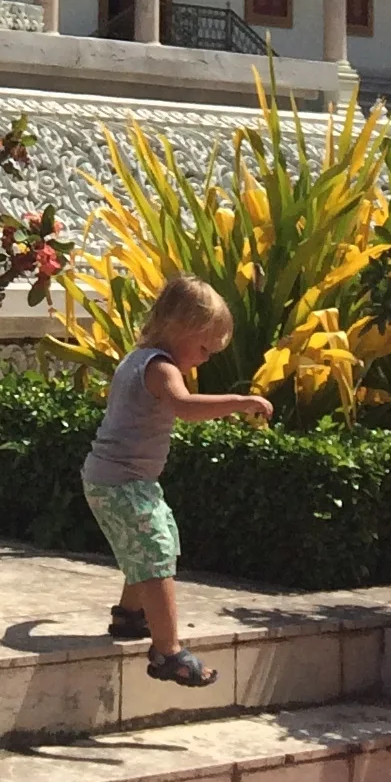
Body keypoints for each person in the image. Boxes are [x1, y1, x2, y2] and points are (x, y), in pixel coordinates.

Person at [80, 272, 271, 686]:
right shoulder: (160, 368)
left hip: (123, 479)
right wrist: (239, 401)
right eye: (203, 348)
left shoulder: (137, 358)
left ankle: (130, 615)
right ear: (179, 327)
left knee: (155, 540)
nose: (205, 359)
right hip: (120, 480)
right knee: (154, 549)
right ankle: (168, 652)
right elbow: (184, 407)